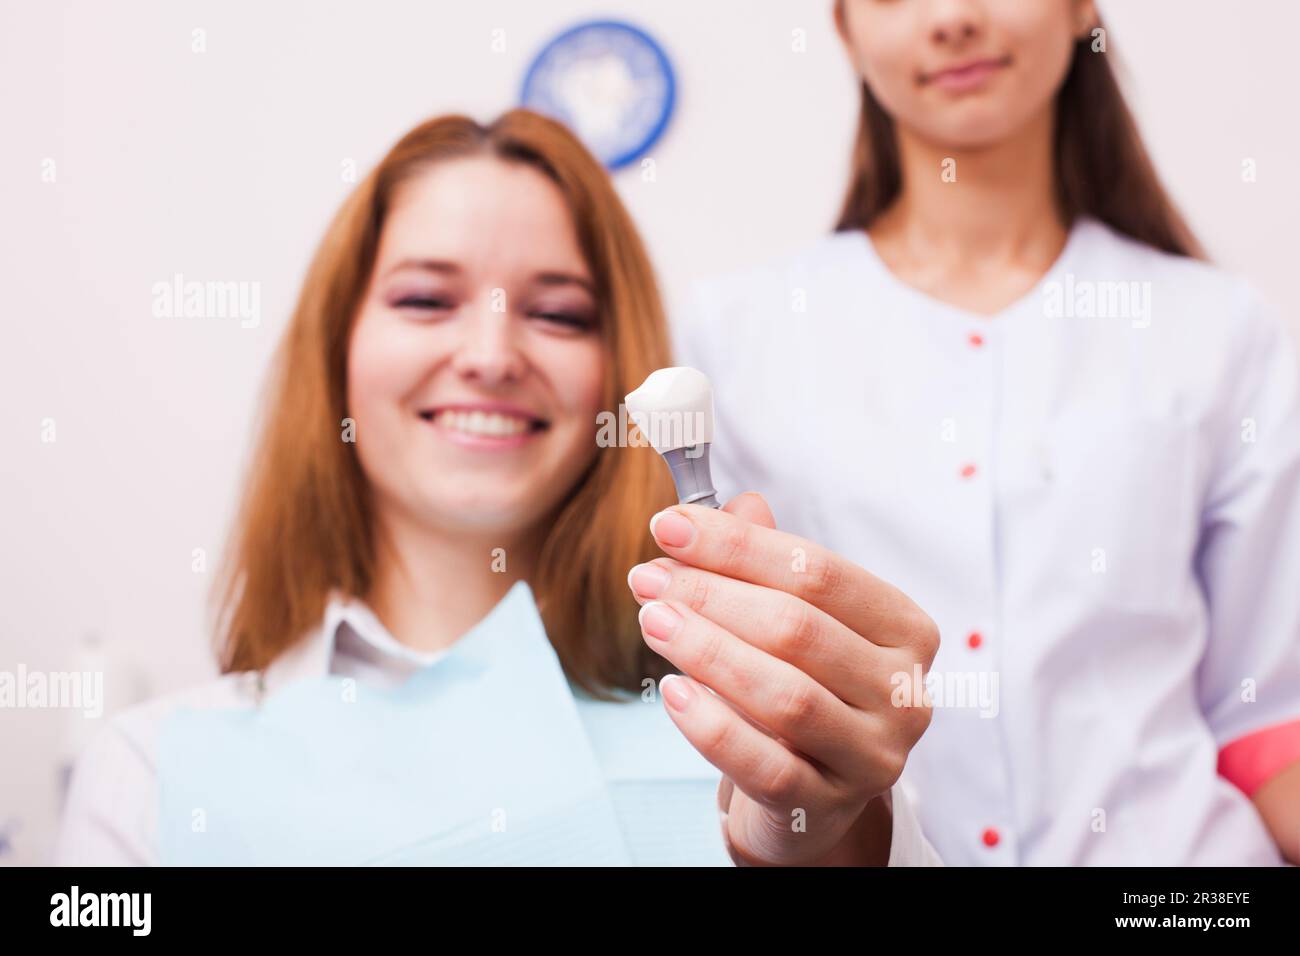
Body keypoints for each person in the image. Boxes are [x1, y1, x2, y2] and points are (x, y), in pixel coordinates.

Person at [55, 110, 941, 866]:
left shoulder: (779, 736)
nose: (489, 356)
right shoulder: (151, 770)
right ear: (337, 355)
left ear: (616, 377)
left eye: (557, 313)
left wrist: (823, 839)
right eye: (425, 300)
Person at [671, 0, 1300, 865]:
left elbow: (1265, 706)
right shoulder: (735, 333)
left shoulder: (1220, 328)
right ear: (846, 28)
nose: (954, 17)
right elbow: (748, 726)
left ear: (1082, 9)